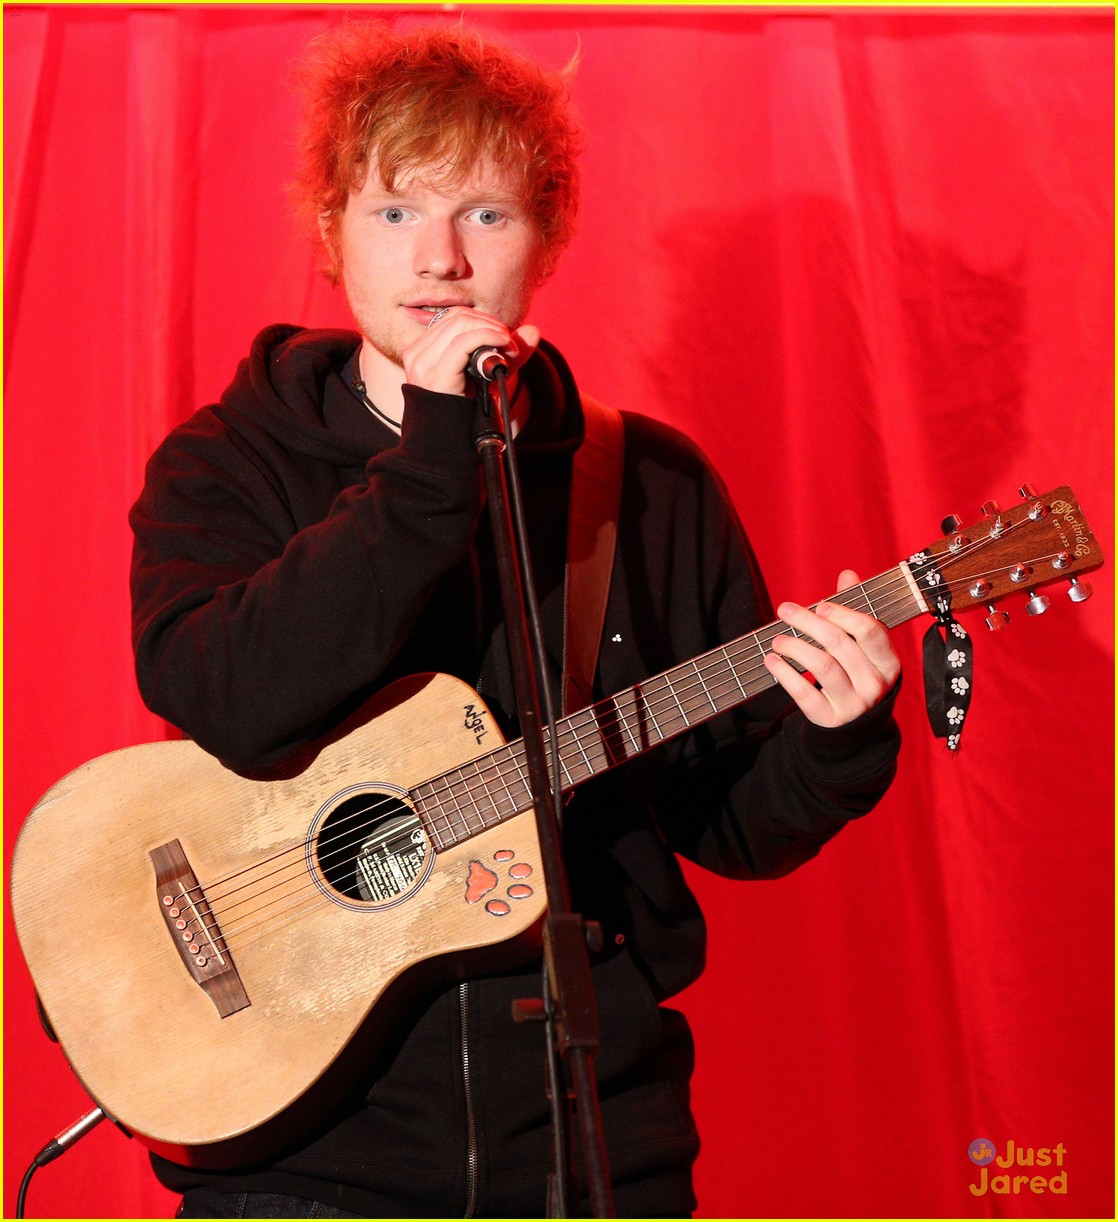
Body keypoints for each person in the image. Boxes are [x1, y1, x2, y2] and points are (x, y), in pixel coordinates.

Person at [128, 22, 902, 1219]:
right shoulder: (230, 461)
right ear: (329, 228)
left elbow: (727, 822)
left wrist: (836, 738)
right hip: (304, 1143)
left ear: (545, 238)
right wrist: (435, 464)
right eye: (395, 213)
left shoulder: (646, 485)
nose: (440, 257)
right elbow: (226, 696)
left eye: (485, 215)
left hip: (590, 1145)